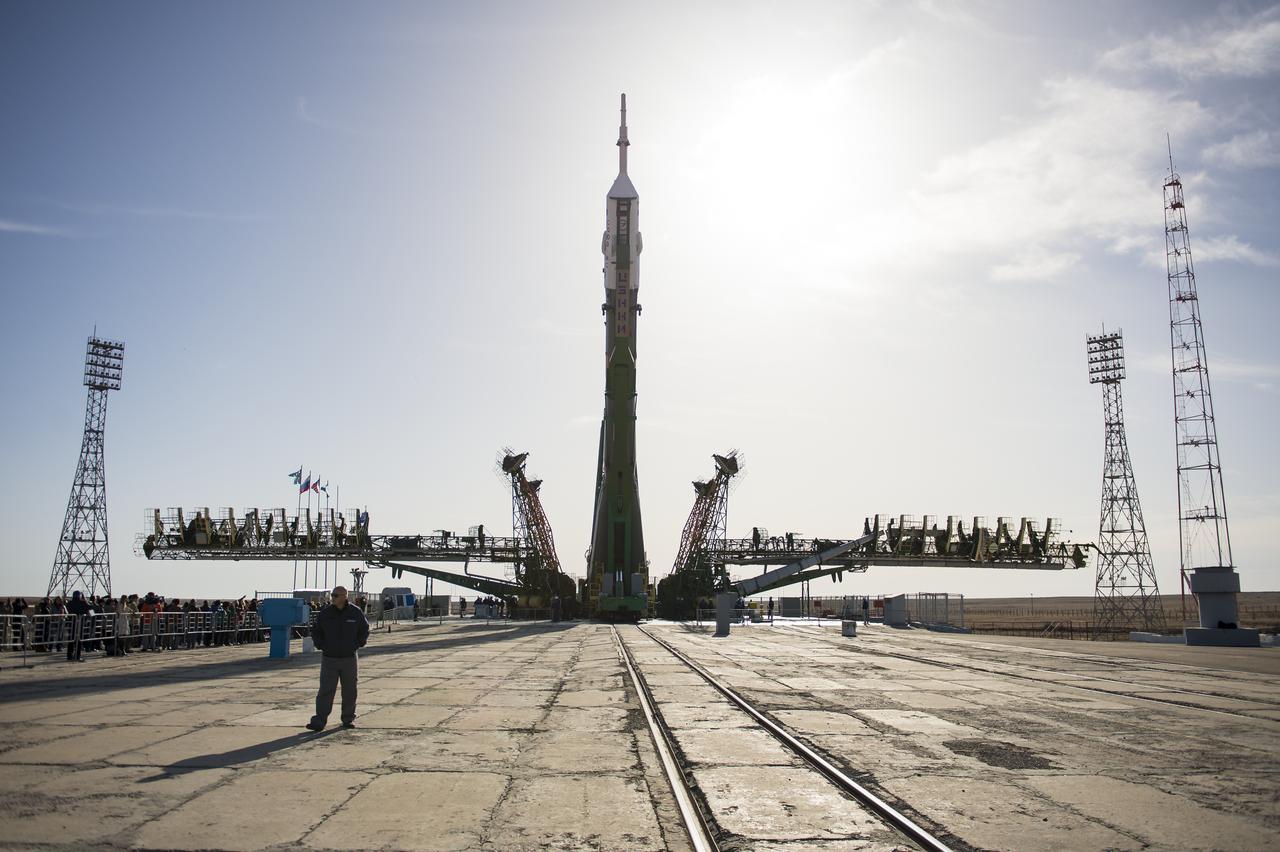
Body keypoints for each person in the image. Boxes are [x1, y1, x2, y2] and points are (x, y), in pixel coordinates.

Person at [306, 585, 369, 731]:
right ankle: (319, 721)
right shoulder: (325, 613)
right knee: (326, 690)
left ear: (344, 596)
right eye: (332, 595)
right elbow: (316, 630)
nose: (332, 598)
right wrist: (321, 645)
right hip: (329, 658)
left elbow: (364, 629)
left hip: (349, 658)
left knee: (350, 690)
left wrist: (359, 643)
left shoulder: (355, 612)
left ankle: (348, 719)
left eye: (335, 595)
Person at [66, 591, 91, 661]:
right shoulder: (83, 603)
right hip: (80, 624)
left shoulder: (69, 603)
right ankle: (77, 655)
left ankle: (69, 656)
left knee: (71, 640)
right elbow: (91, 612)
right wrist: (86, 601)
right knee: (79, 641)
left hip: (71, 624)